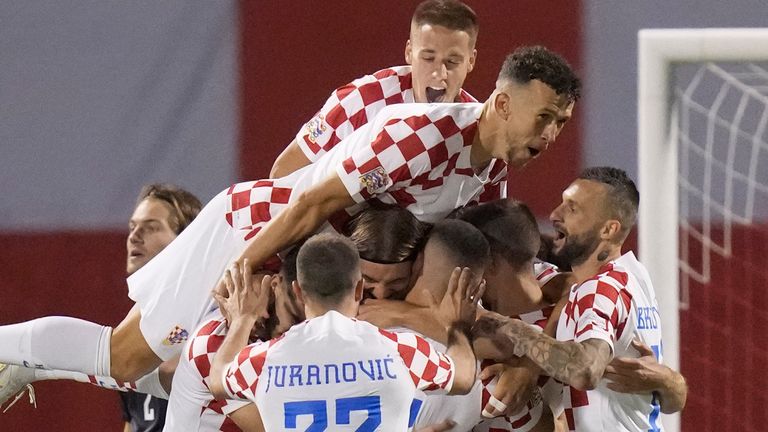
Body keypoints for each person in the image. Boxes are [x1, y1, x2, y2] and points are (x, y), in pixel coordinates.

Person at [0, 45, 579, 403]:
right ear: (502, 103)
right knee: (125, 357)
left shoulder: (491, 176)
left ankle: (35, 368)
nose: (551, 135)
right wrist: (240, 268)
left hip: (310, 259)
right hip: (254, 229)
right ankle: (15, 353)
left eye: (560, 123)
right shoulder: (417, 135)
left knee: (183, 373)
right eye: (544, 117)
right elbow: (303, 202)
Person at [472, 167, 687, 431]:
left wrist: (514, 330)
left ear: (608, 229)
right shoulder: (634, 275)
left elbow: (585, 370)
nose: (554, 215)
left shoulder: (598, 290)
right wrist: (670, 383)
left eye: (572, 209)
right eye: (562, 203)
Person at [207, 233, 481, 431]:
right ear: (360, 288)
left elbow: (218, 381)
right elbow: (464, 376)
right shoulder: (401, 351)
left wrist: (243, 319)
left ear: (298, 292)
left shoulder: (263, 361)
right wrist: (457, 327)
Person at [270, 0, 479, 178]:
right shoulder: (360, 101)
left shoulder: (478, 127)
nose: (439, 73)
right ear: (409, 52)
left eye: (452, 62)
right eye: (428, 58)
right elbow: (282, 173)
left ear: (471, 62)